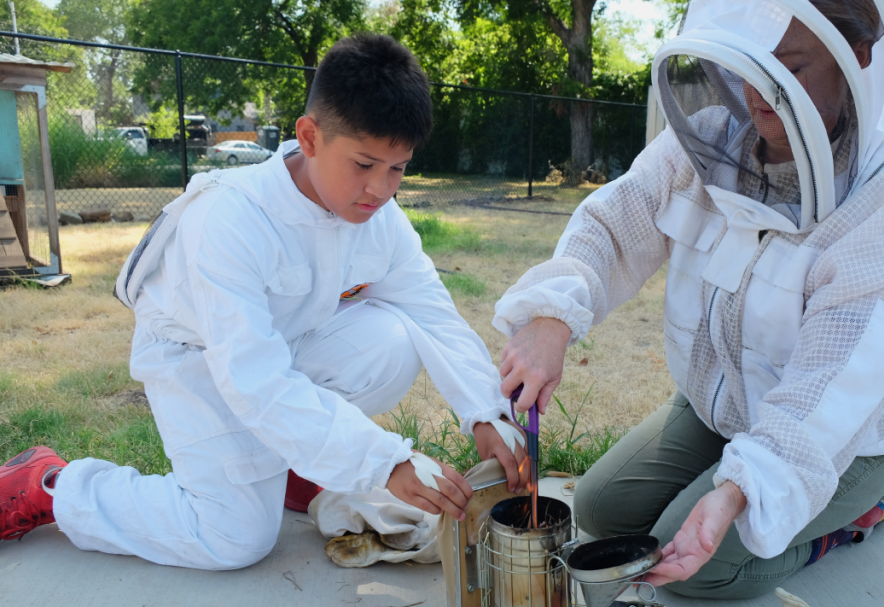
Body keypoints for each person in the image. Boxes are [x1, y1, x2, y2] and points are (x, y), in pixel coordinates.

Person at [0, 34, 527, 567]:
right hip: (197, 360)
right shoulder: (232, 217)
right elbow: (254, 380)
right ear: (310, 136)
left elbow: (429, 311)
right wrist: (383, 462)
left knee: (395, 340)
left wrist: (485, 414)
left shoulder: (379, 218)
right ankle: (53, 485)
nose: (381, 189)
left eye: (398, 168)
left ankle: (294, 470)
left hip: (285, 347)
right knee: (234, 538)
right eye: (365, 164)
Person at [494, 0, 884, 599]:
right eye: (751, 61)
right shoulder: (704, 143)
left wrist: (739, 490)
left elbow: (833, 390)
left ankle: (855, 518)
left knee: (703, 569)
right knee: (602, 509)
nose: (760, 89)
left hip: (844, 442)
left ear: (856, 56)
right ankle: (732, 476)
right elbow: (614, 223)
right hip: (720, 410)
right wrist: (553, 317)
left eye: (793, 67)